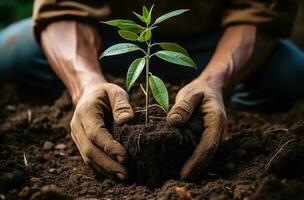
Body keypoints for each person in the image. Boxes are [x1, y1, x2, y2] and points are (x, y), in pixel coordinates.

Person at [0, 0, 303, 181]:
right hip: (107, 38)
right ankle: (92, 91)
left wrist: (216, 82)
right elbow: (62, 6)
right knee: (13, 57)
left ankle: (219, 101)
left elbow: (260, 11)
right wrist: (85, 84)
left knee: (290, 73)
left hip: (212, 42)